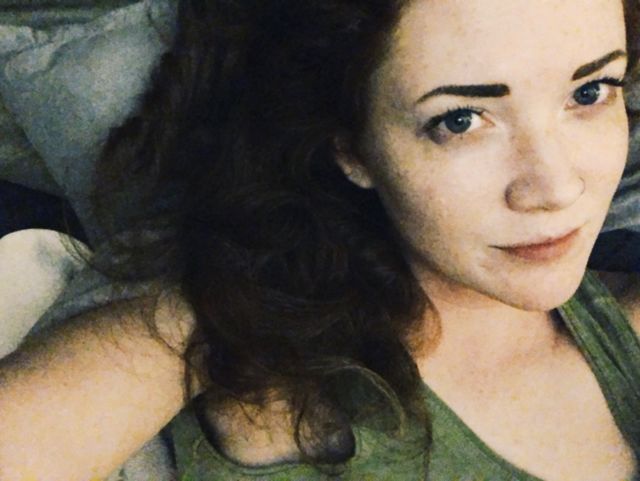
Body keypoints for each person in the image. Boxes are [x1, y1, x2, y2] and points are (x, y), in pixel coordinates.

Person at [2, 0, 640, 480]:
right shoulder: (233, 327)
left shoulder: (618, 323)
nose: (556, 188)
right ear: (351, 148)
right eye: (460, 120)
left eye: (590, 92)